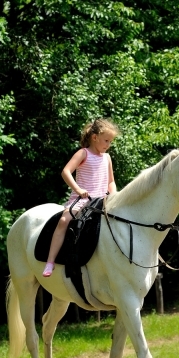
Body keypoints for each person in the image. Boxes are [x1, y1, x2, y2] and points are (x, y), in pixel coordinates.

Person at [42, 118, 119, 277]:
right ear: (94, 137)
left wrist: (115, 196)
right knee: (64, 221)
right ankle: (50, 261)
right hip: (83, 200)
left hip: (103, 201)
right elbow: (66, 171)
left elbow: (110, 181)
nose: (108, 145)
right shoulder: (83, 153)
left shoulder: (107, 158)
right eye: (106, 140)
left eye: (110, 141)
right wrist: (77, 189)